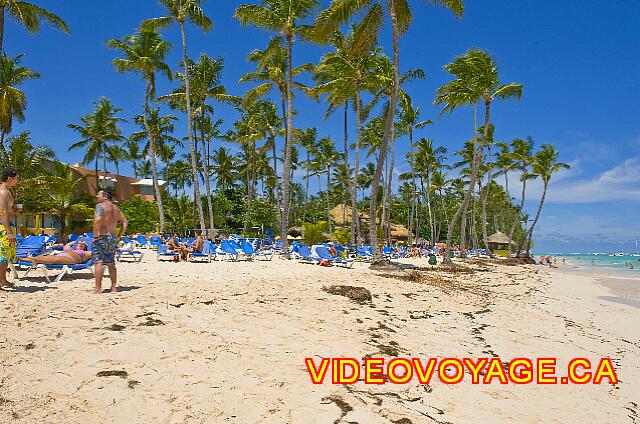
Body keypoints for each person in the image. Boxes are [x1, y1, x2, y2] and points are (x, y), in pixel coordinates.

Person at [93, 188, 127, 293]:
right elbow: (125, 222)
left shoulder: (100, 206)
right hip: (112, 238)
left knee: (98, 262)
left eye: (99, 195)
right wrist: (119, 235)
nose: (97, 196)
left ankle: (98, 288)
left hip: (102, 237)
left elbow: (97, 220)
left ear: (105, 197)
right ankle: (113, 287)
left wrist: (95, 235)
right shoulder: (116, 208)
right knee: (111, 263)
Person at [0, 167, 19, 291]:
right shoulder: (3, 192)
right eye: (16, 178)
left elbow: (8, 210)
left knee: (7, 256)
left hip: (8, 226)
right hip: (5, 227)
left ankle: (3, 279)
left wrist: (14, 210)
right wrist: (9, 231)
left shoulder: (7, 191)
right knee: (2, 256)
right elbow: (3, 212)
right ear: (10, 178)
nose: (17, 180)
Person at [19, 240, 91, 267]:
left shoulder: (85, 252)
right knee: (49, 257)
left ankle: (34, 260)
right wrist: (76, 241)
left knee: (54, 259)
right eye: (79, 244)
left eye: (83, 244)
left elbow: (94, 253)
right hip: (61, 254)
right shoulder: (70, 249)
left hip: (71, 259)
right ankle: (21, 259)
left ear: (85, 247)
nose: (80, 244)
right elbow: (68, 244)